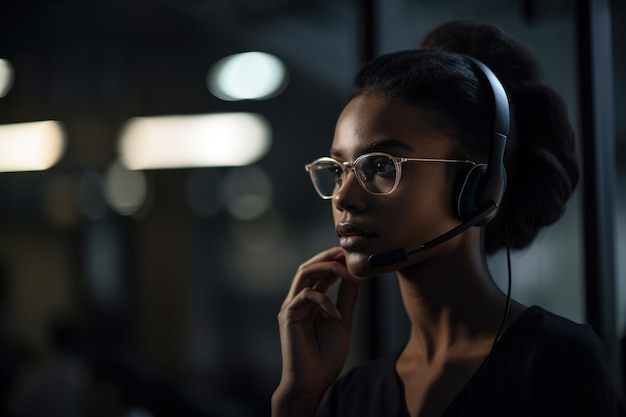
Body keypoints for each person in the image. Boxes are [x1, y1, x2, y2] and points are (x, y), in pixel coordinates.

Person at [271, 20, 626, 417]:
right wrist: (297, 398)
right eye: (339, 169)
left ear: (479, 187)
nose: (343, 196)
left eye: (381, 166)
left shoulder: (557, 362)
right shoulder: (350, 395)